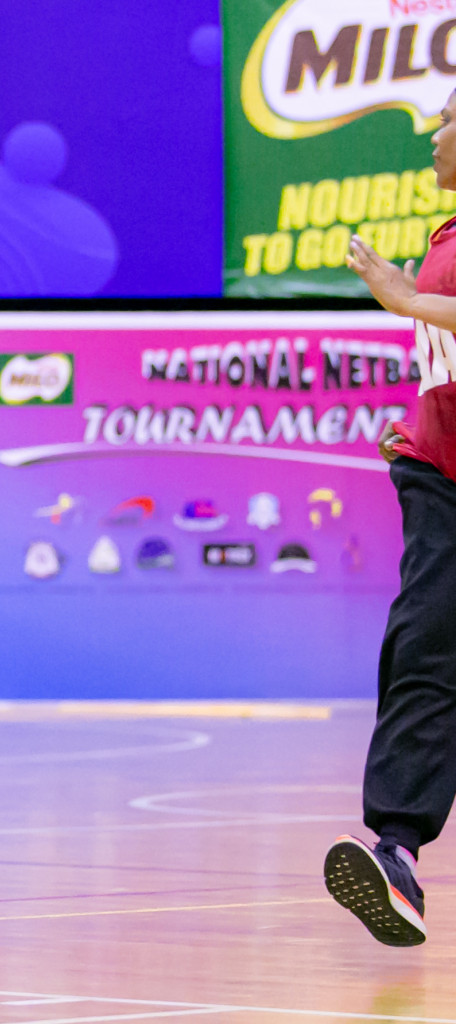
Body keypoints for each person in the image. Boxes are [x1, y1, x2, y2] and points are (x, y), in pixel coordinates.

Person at [332, 87, 456, 946]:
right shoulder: (446, 237)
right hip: (440, 475)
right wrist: (419, 417)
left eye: (447, 123)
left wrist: (407, 301)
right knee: (423, 652)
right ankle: (398, 854)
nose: (434, 139)